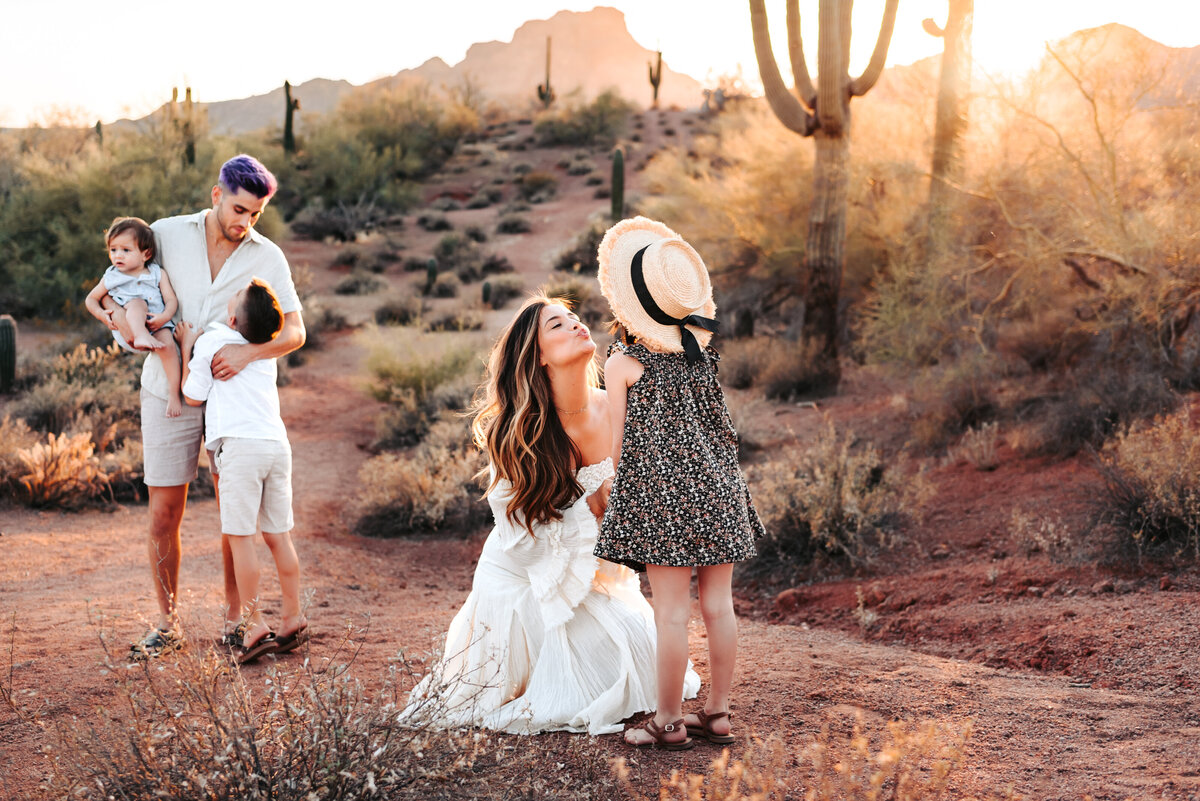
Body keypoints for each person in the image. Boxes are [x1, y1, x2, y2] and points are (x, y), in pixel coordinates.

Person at [398, 293, 699, 734]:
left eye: (574, 318)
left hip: (588, 574)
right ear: (537, 356)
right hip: (529, 578)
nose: (577, 325)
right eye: (557, 325)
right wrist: (589, 507)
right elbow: (523, 538)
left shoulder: (618, 405)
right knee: (578, 686)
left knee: (641, 657)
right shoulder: (520, 430)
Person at [126, 154, 306, 660]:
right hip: (169, 394)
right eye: (237, 209)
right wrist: (125, 325)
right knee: (164, 511)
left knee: (238, 514)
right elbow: (126, 281)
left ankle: (237, 620)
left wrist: (249, 351)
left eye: (254, 214)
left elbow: (295, 330)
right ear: (215, 194)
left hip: (232, 403)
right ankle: (167, 623)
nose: (243, 222)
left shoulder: (267, 256)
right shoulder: (164, 234)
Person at [593, 217, 762, 750]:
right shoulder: (702, 356)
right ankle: (717, 713)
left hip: (663, 493)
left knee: (669, 612)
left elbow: (614, 442)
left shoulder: (623, 362)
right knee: (719, 606)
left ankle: (667, 721)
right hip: (720, 487)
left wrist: (629, 487)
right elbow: (723, 430)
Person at [176, 278, 308, 664]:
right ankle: (292, 617)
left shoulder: (214, 341)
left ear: (232, 319)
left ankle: (251, 626)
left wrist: (187, 346)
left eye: (231, 300)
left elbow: (192, 394)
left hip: (240, 449)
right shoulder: (265, 350)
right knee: (279, 537)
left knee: (240, 539)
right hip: (275, 447)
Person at [84, 217, 184, 417]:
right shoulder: (112, 276)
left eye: (125, 250)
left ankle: (173, 393)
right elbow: (91, 299)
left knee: (169, 349)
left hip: (156, 322)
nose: (117, 256)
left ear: (145, 253)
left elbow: (171, 300)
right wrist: (103, 315)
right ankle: (141, 335)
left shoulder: (157, 273)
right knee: (138, 303)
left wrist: (164, 317)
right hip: (130, 325)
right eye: (113, 250)